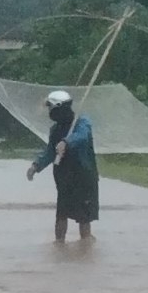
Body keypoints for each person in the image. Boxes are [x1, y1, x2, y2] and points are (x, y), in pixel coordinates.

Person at [25, 90, 99, 242]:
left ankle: (86, 247)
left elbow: (82, 136)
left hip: (83, 177)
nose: (50, 113)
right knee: (61, 215)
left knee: (84, 220)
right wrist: (36, 165)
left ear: (59, 108)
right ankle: (59, 245)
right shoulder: (55, 129)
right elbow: (50, 152)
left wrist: (66, 142)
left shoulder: (81, 122)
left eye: (51, 109)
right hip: (64, 178)